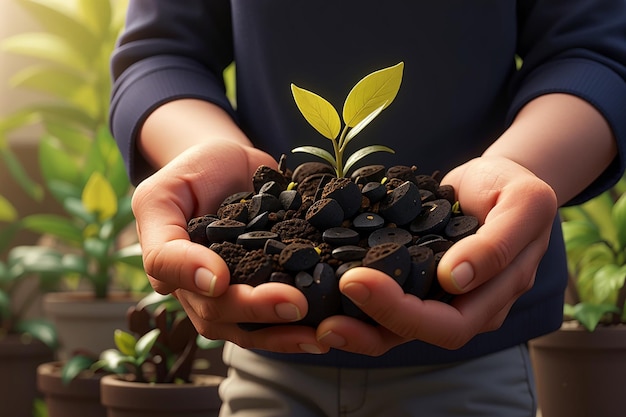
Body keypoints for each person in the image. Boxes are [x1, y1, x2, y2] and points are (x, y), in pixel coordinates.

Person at [110, 1, 626, 416]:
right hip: (266, 350)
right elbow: (160, 53)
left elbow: (598, 52)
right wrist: (208, 163)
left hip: (472, 358)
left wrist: (519, 169)